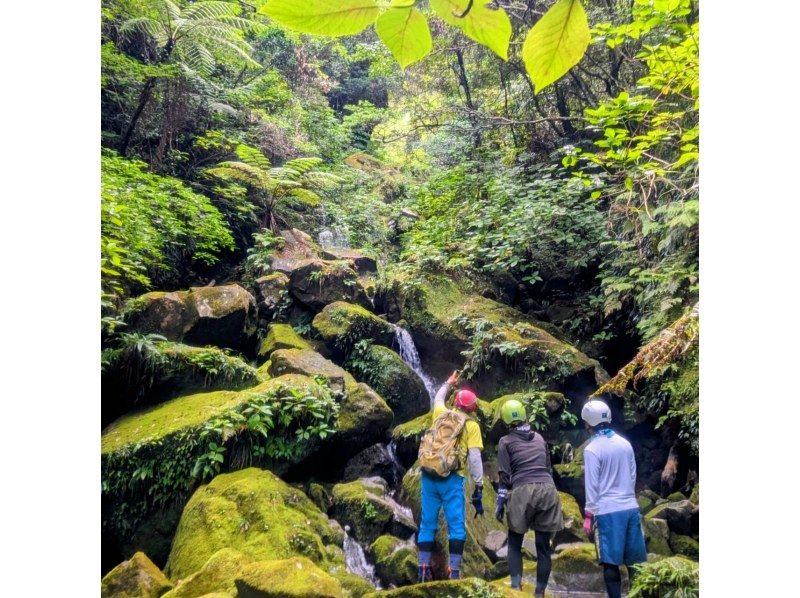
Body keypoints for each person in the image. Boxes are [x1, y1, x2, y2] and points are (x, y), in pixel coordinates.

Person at [417, 370, 485, 582]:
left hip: (428, 476)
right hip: (452, 479)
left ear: (455, 402)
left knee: (427, 524)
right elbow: (474, 458)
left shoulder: (440, 414)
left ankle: (423, 568)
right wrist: (479, 485)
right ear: (472, 408)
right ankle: (454, 572)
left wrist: (448, 382)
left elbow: (437, 398)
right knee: (456, 526)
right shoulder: (471, 426)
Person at [494, 399, 562, 597]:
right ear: (524, 415)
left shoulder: (505, 441)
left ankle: (516, 589)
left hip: (523, 490)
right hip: (548, 490)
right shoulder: (540, 438)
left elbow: (505, 476)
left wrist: (500, 502)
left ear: (506, 421)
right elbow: (548, 468)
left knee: (515, 544)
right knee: (543, 548)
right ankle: (539, 593)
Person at [581, 399, 647, 598]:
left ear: (588, 424)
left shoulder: (592, 449)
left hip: (607, 511)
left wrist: (588, 516)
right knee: (635, 563)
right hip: (630, 507)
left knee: (610, 562)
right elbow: (633, 475)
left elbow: (592, 485)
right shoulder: (625, 443)